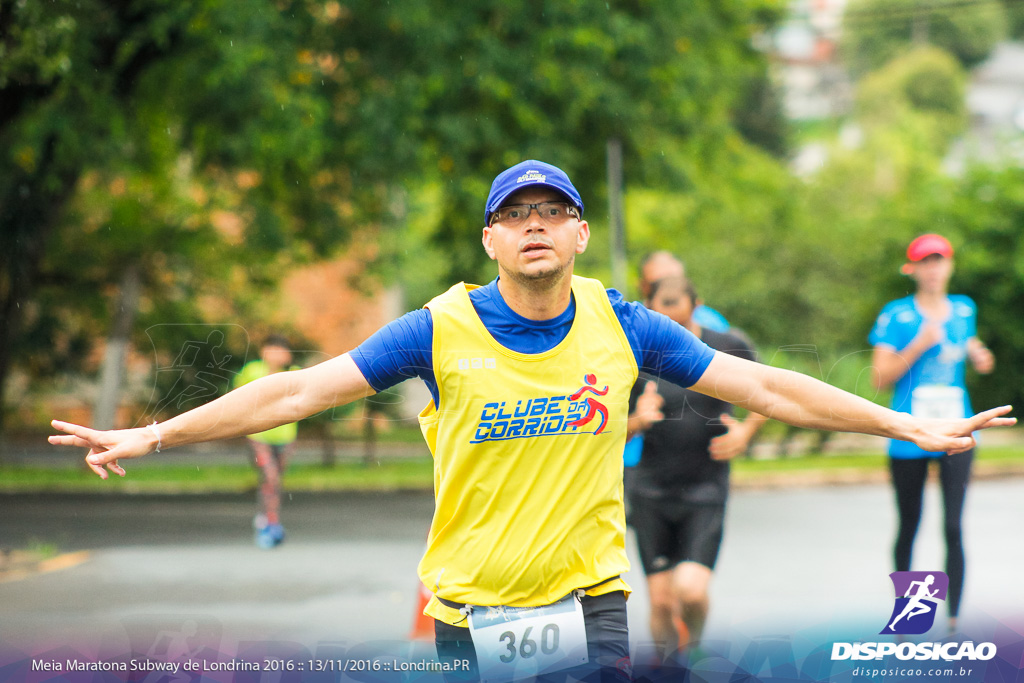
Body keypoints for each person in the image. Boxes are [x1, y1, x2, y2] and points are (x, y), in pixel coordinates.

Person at [50, 162, 1012, 682]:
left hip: (588, 602)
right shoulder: (438, 326)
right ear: (491, 238)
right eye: (517, 214)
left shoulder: (624, 323)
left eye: (555, 210)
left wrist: (902, 422)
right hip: (469, 608)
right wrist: (154, 432)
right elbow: (297, 391)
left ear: (582, 233)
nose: (536, 224)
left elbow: (766, 389)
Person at [625, 276, 767, 661]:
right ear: (649, 305)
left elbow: (767, 392)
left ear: (696, 304)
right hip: (650, 490)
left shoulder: (725, 346)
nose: (668, 311)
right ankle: (668, 667)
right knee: (659, 602)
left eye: (675, 302)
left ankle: (697, 651)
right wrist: (637, 420)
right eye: (660, 303)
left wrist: (746, 431)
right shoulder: (634, 356)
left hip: (705, 489)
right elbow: (605, 431)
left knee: (690, 591)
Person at [869, 233, 995, 634]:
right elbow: (879, 377)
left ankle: (954, 619)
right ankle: (909, 614)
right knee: (911, 524)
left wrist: (979, 354)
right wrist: (919, 344)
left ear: (950, 266)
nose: (934, 268)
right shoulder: (897, 315)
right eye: (926, 261)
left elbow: (967, 342)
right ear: (914, 269)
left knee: (954, 526)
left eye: (940, 260)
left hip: (956, 428)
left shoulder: (963, 309)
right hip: (910, 431)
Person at [233, 334, 300, 549]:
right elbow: (237, 398)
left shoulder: (295, 374)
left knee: (274, 482)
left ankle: (267, 519)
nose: (275, 354)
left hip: (285, 437)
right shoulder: (252, 371)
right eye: (270, 349)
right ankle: (269, 524)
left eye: (280, 350)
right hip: (258, 436)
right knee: (270, 477)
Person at [637, 251, 730, 333]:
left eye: (676, 281)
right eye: (658, 283)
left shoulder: (711, 323)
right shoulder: (631, 321)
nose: (668, 288)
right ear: (643, 286)